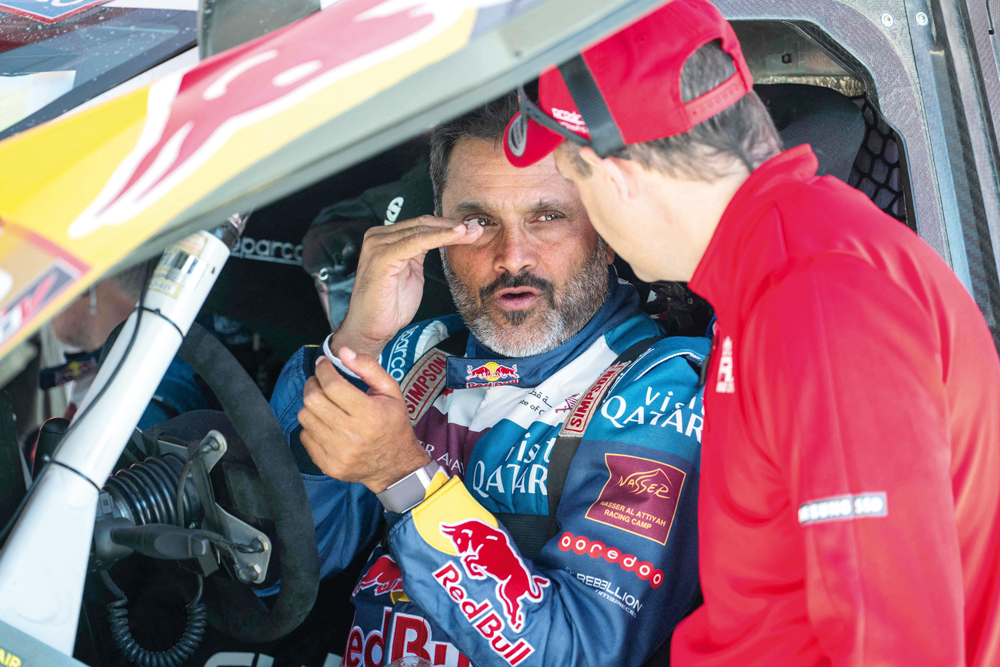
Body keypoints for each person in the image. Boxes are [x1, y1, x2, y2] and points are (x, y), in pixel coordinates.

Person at [501, 0, 1000, 665]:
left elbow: (897, 645)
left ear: (616, 177)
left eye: (573, 183)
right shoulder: (776, 267)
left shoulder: (818, 299)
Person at [269, 93, 710, 667]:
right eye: (477, 223)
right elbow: (283, 575)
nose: (512, 256)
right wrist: (357, 343)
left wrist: (403, 477)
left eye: (548, 216)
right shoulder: (413, 355)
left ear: (606, 234)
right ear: (435, 236)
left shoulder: (657, 390)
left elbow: (577, 653)